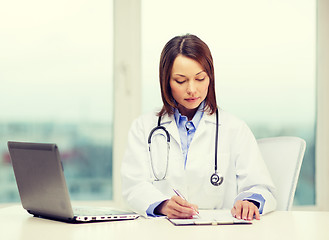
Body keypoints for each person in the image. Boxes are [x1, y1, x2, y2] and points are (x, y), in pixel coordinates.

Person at [121, 34, 276, 221]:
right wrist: (163, 205)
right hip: (164, 231)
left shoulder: (234, 128)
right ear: (166, 81)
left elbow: (260, 187)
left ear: (210, 78)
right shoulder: (144, 127)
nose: (192, 89)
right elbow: (133, 185)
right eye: (180, 81)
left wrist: (250, 202)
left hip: (219, 230)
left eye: (200, 78)